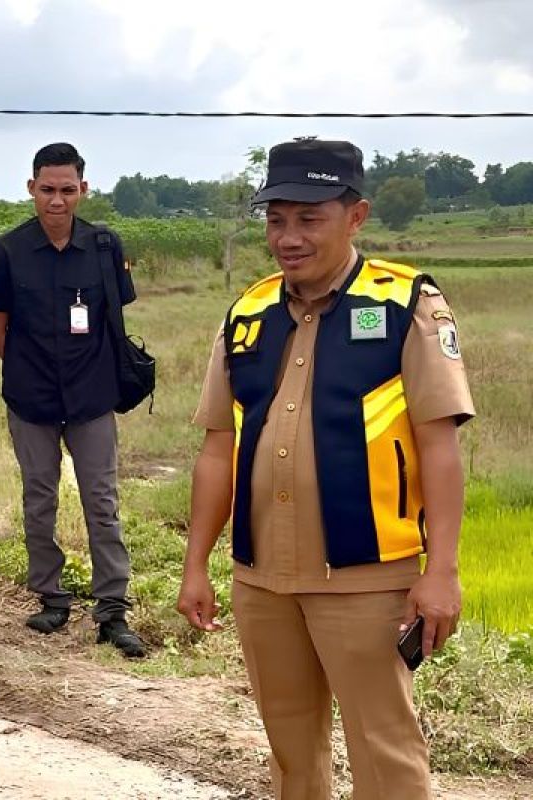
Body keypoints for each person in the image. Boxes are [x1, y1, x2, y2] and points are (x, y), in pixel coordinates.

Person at [176, 138, 474, 799]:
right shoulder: (247, 314)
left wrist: (442, 572)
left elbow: (440, 447)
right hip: (263, 582)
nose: (289, 237)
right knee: (289, 751)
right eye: (277, 219)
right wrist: (197, 563)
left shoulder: (406, 306)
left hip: (369, 580)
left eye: (309, 219)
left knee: (385, 752)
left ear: (355, 216)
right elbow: (216, 449)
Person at [0, 142, 145, 658]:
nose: (57, 201)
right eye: (47, 190)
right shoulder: (6, 251)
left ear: (83, 191)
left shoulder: (105, 246)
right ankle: (51, 596)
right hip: (32, 397)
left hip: (92, 396)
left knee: (102, 501)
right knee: (39, 499)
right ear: (31, 189)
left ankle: (112, 608)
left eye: (68, 190)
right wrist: (31, 369)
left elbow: (116, 319)